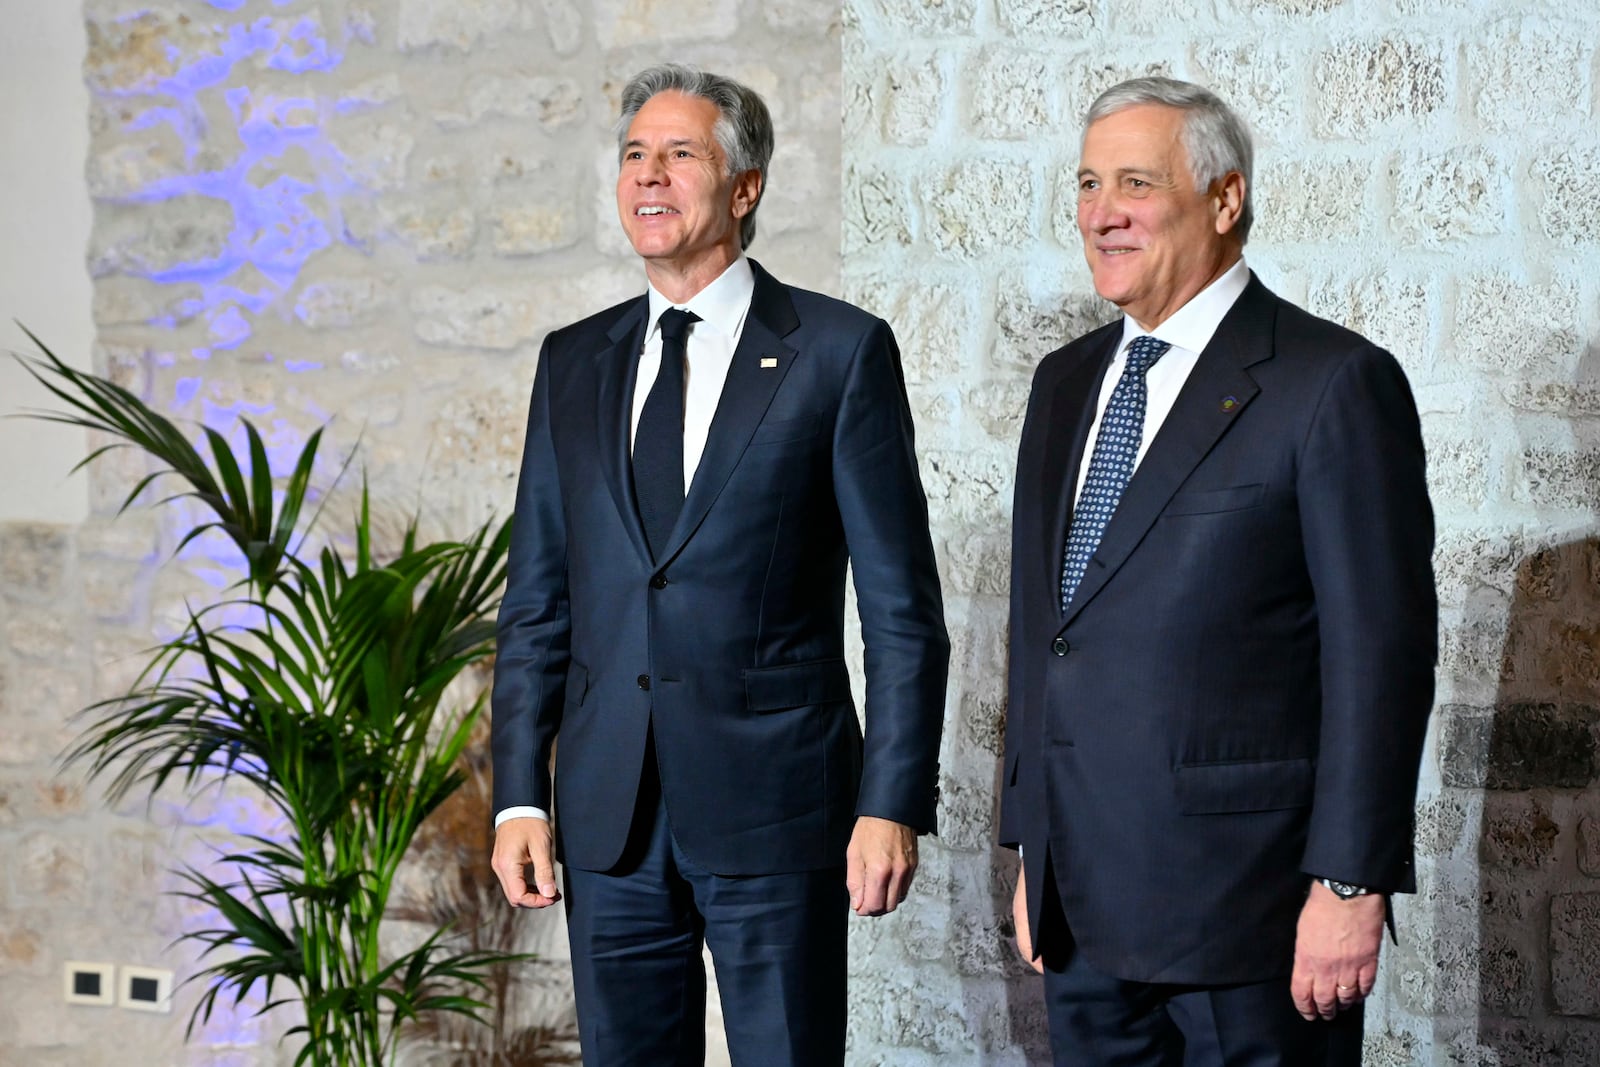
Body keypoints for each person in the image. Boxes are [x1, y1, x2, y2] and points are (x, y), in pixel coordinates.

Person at [489, 64, 948, 1066]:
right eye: (633, 156)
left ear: (744, 187)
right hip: (611, 816)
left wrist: (890, 800)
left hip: (777, 809)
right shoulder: (574, 361)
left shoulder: (837, 351)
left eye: (679, 154)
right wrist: (519, 792)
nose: (649, 176)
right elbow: (536, 599)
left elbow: (901, 610)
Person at [998, 76, 1437, 1066]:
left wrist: (1349, 882)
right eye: (1086, 183)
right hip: (1084, 909)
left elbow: (1381, 653)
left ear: (1224, 199)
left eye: (1135, 183)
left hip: (1255, 922)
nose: (1102, 213)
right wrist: (1035, 844)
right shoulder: (1063, 384)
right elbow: (1045, 628)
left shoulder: (1329, 384)